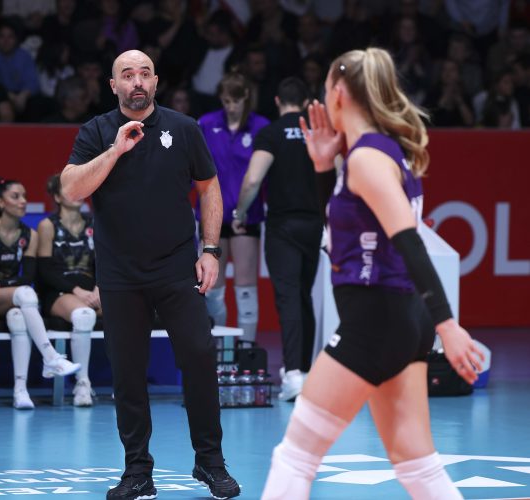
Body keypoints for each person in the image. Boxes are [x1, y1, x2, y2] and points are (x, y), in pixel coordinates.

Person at [260, 48, 484, 500]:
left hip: (375, 320)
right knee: (417, 466)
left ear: (340, 93)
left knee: (296, 456)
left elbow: (411, 242)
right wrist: (323, 169)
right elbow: (343, 234)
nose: (322, 98)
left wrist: (449, 326)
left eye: (325, 88)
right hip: (398, 319)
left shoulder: (366, 160)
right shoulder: (379, 153)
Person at [61, 49, 240, 500]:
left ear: (156, 82)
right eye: (127, 75)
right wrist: (115, 149)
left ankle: (210, 462)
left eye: (144, 74)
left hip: (177, 266)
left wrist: (211, 250)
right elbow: (71, 188)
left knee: (199, 356)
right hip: (120, 273)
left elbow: (209, 188)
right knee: (128, 373)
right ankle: (137, 471)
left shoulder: (185, 128)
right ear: (114, 85)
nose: (137, 82)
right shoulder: (97, 131)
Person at [232, 77, 323, 402]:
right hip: (314, 225)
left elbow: (253, 179)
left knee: (288, 298)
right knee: (304, 296)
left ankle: (293, 375)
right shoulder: (317, 131)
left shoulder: (270, 133)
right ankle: (305, 372)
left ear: (277, 101)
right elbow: (338, 173)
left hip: (283, 226)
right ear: (307, 101)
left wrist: (240, 212)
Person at [0, 178, 80, 410]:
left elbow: (28, 277)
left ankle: (20, 390)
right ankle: (50, 357)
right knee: (26, 295)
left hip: (13, 298)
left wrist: (0, 282)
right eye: (16, 197)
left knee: (19, 316)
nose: (23, 201)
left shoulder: (30, 235)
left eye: (24, 196)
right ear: (0, 202)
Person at [198, 71, 269, 347]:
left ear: (246, 97)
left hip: (246, 218)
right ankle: (220, 348)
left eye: (236, 101)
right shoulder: (206, 124)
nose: (231, 107)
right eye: (226, 101)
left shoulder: (261, 127)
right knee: (212, 288)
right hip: (211, 217)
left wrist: (243, 210)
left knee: (245, 287)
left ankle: (247, 349)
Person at [36, 174, 99, 407]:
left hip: (91, 291)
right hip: (59, 292)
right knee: (84, 316)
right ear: (56, 197)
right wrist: (76, 290)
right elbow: (45, 271)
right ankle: (82, 383)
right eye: (69, 188)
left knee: (125, 311)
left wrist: (99, 288)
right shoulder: (48, 226)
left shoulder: (94, 223)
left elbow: (104, 262)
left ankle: (128, 384)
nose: (77, 192)